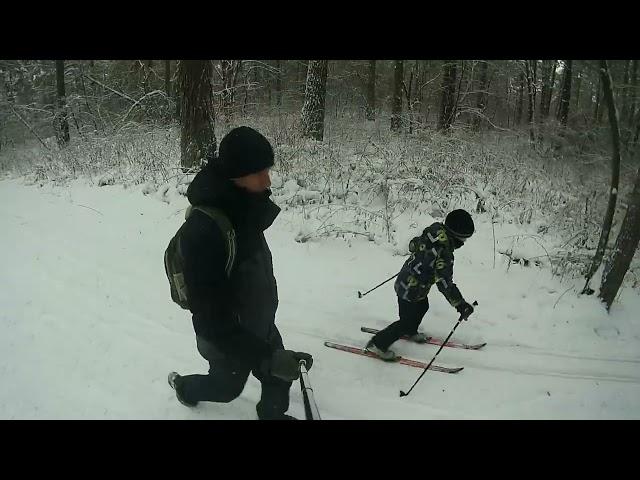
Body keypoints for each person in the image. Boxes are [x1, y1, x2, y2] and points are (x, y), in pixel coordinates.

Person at [167, 126, 313, 420]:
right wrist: (268, 357)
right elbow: (211, 321)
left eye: (267, 171)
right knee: (227, 388)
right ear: (236, 175)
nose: (268, 181)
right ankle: (185, 388)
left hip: (260, 323)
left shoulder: (245, 209)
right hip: (226, 338)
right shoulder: (205, 232)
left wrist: (272, 355)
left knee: (278, 377)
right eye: (259, 173)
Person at [365, 209, 476, 361]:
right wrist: (460, 304)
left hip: (410, 283)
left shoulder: (433, 231)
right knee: (405, 322)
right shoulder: (444, 252)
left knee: (423, 307)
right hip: (410, 289)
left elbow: (413, 244)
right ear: (456, 236)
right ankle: (377, 344)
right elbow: (444, 283)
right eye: (463, 239)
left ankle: (410, 331)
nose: (463, 243)